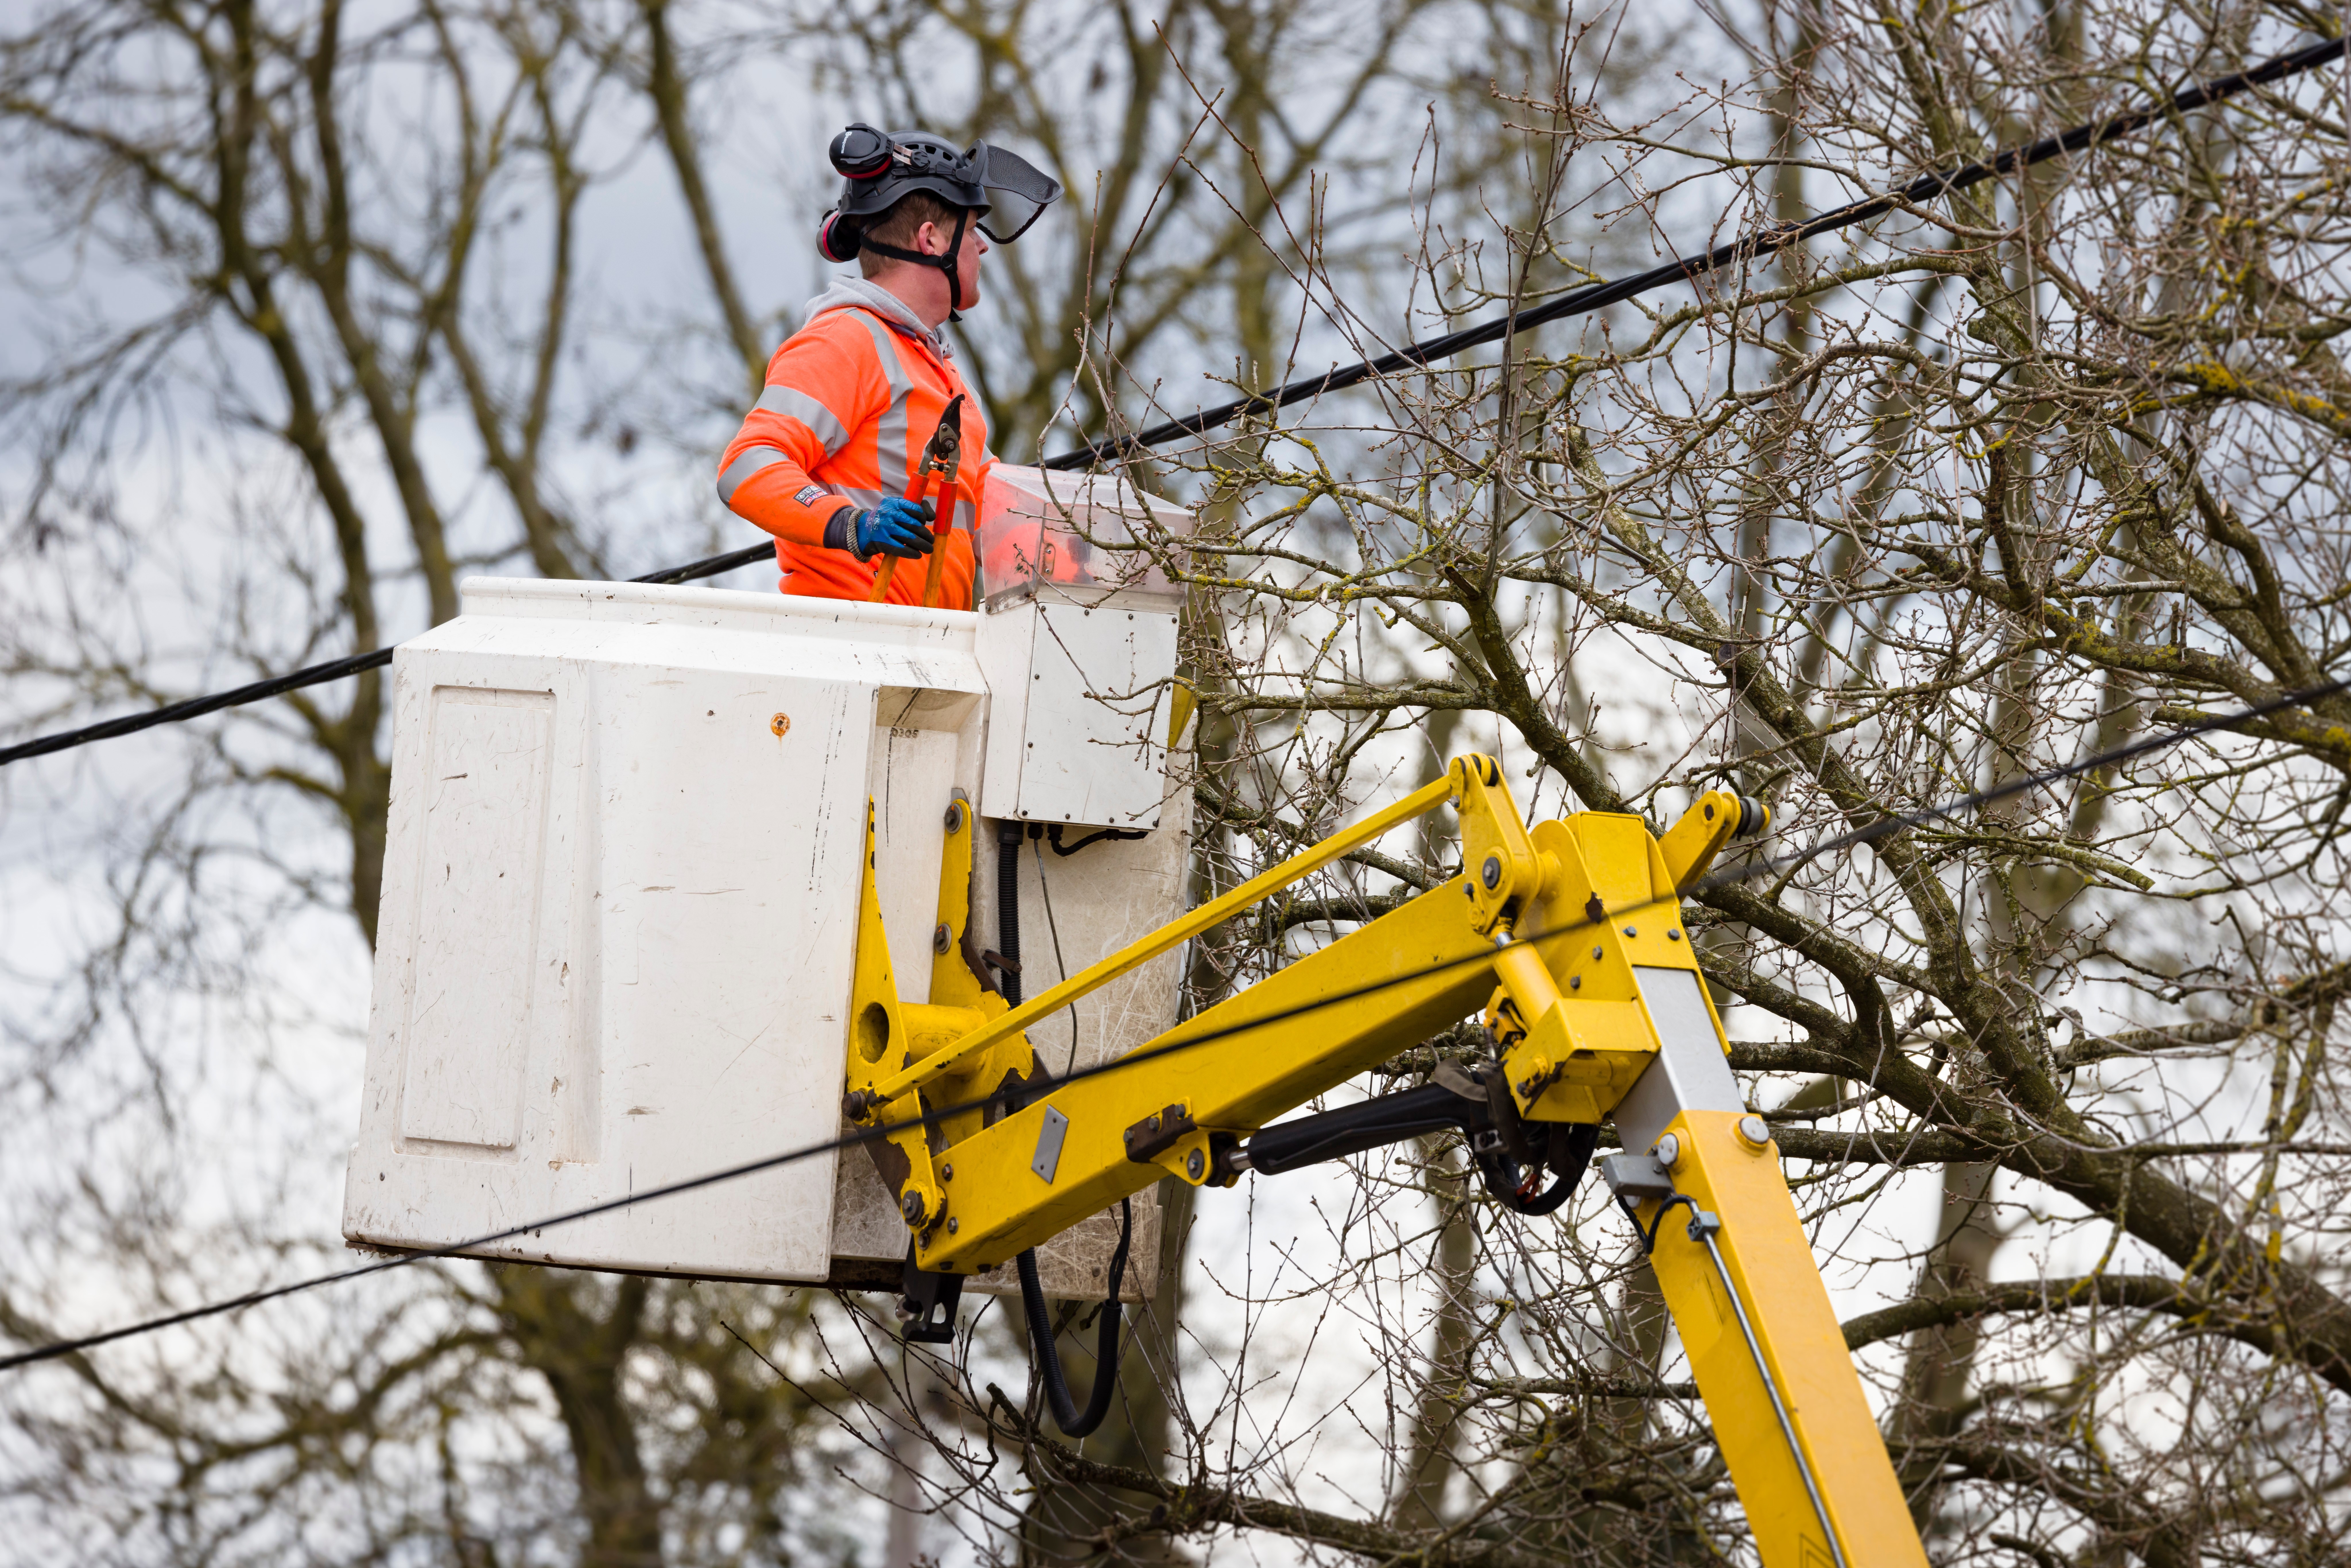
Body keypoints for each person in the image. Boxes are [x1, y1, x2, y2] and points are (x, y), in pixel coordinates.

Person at [715, 126, 1060, 608]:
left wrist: (1097, 541)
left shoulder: (943, 378)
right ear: (931, 239)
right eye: (972, 229)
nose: (982, 247)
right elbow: (746, 467)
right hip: (844, 643)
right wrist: (852, 526)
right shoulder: (846, 340)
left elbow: (1000, 519)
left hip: (925, 651)